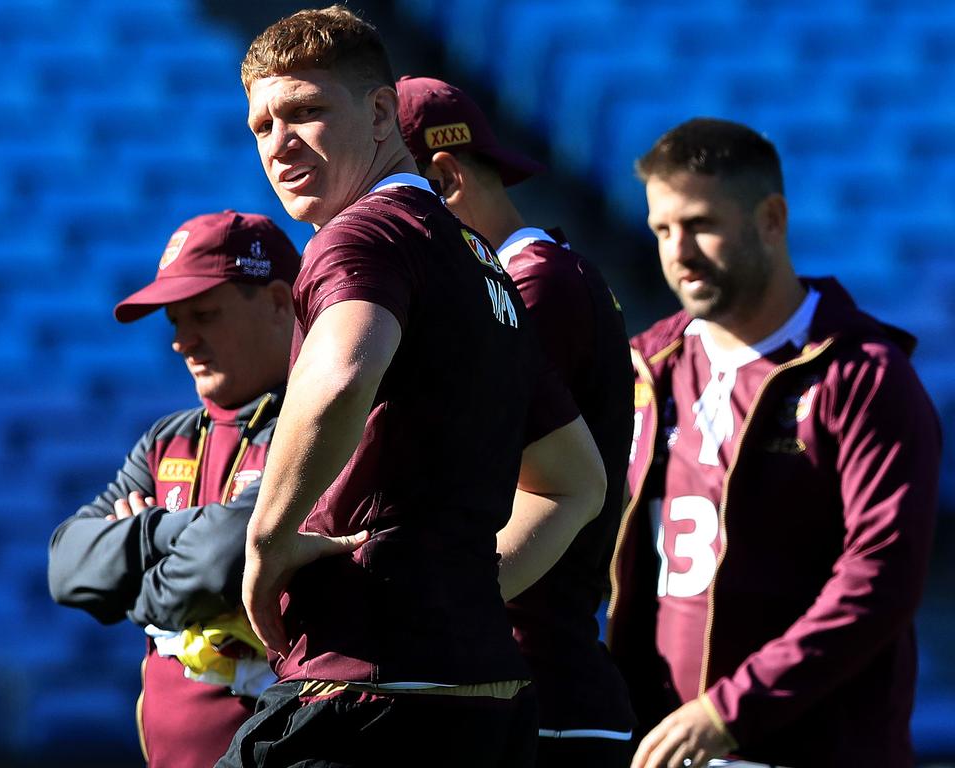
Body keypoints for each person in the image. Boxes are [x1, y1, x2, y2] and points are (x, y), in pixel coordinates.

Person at [218, 6, 607, 767]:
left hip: (365, 692)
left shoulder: (364, 234)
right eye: (261, 125)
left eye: (305, 111)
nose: (279, 142)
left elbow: (342, 374)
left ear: (377, 110)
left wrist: (265, 543)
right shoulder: (479, 261)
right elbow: (575, 484)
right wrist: (469, 590)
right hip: (481, 696)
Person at [605, 117, 941, 768]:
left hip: (818, 748)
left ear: (771, 218)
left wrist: (729, 712)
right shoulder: (648, 367)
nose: (679, 251)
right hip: (663, 746)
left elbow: (882, 579)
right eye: (662, 231)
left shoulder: (865, 377)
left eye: (700, 223)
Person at [395, 75, 637, 768]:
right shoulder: (538, 277)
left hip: (532, 689)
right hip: (523, 678)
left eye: (389, 204)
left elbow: (459, 473)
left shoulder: (531, 289)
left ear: (443, 180)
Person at [48, 210, 300, 768]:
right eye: (175, 322)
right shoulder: (167, 440)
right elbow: (65, 567)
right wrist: (166, 530)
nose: (182, 343)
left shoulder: (316, 426)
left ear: (281, 303)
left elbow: (224, 558)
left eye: (204, 315)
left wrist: (140, 581)